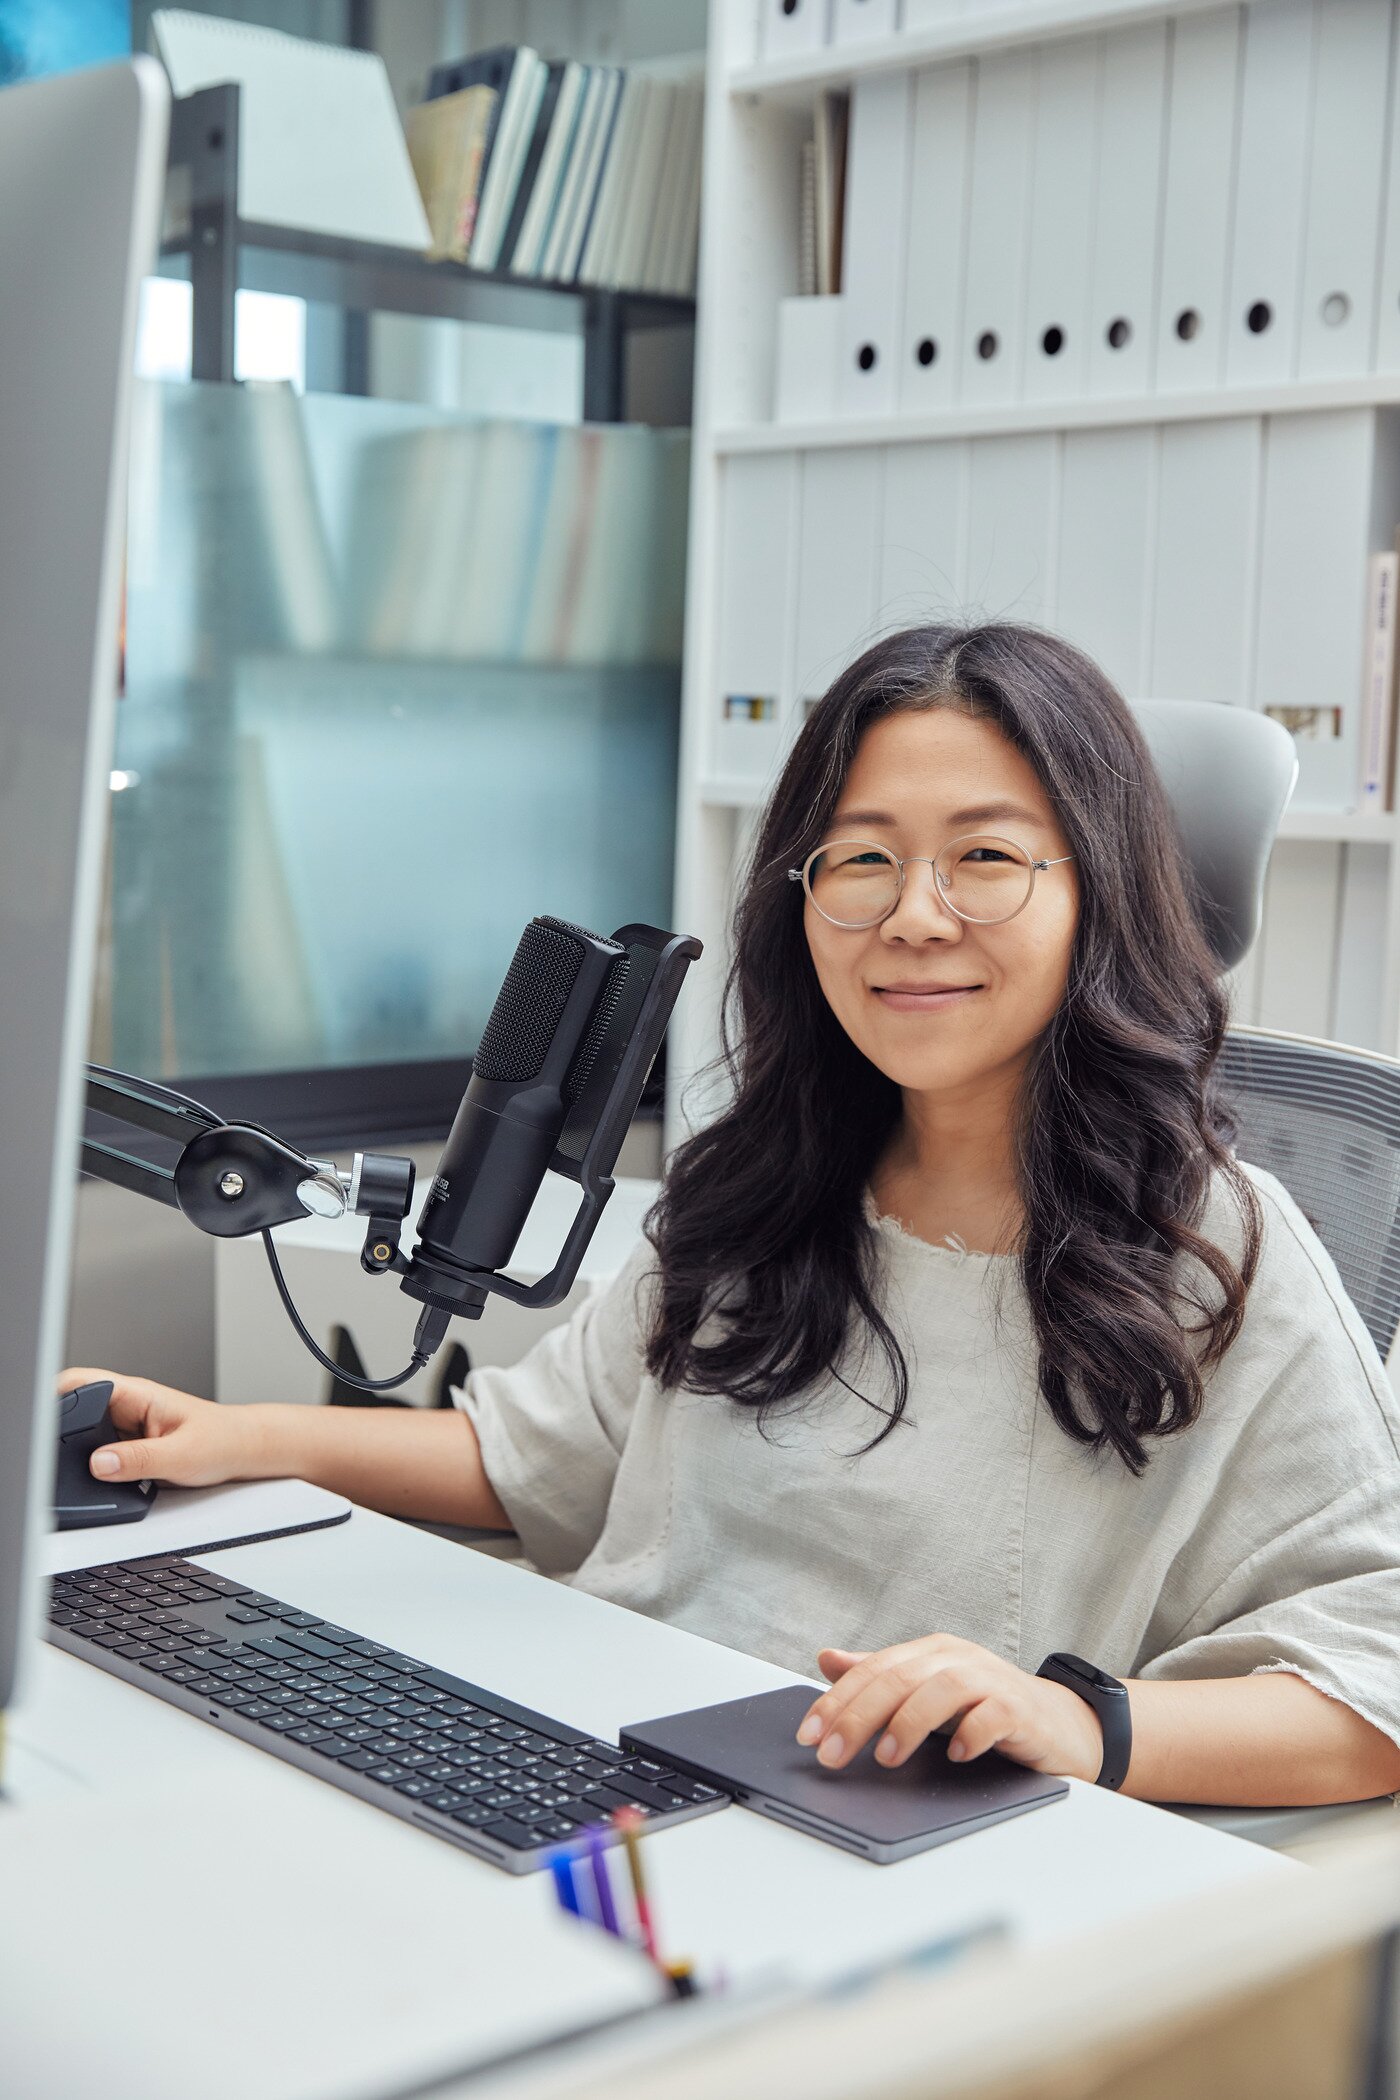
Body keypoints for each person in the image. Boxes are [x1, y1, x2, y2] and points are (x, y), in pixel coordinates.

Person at [65, 623, 1400, 1806]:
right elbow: (537, 1462)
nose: (913, 918)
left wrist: (1077, 1723)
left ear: (1095, 892)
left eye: (985, 857)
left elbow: (1375, 1684)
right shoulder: (761, 1185)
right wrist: (229, 1436)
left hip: (903, 1856)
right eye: (862, 860)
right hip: (612, 1770)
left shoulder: (1217, 1254)